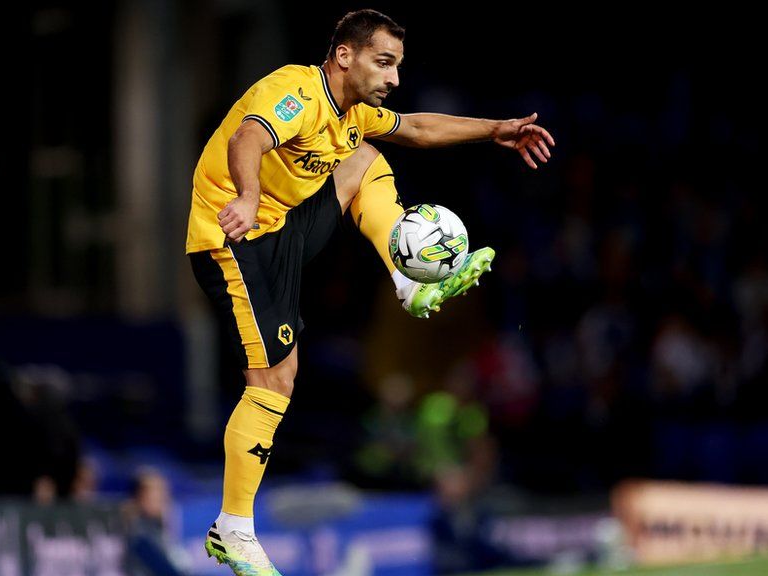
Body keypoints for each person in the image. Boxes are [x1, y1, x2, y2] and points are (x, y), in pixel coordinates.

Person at [187, 9, 554, 575]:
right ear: (344, 56)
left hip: (281, 227)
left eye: (398, 66)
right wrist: (245, 194)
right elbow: (248, 137)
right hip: (232, 234)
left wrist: (494, 129)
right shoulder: (298, 91)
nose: (394, 78)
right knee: (273, 379)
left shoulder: (353, 115)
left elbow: (417, 128)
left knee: (365, 157)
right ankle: (232, 528)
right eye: (384, 63)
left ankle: (407, 279)